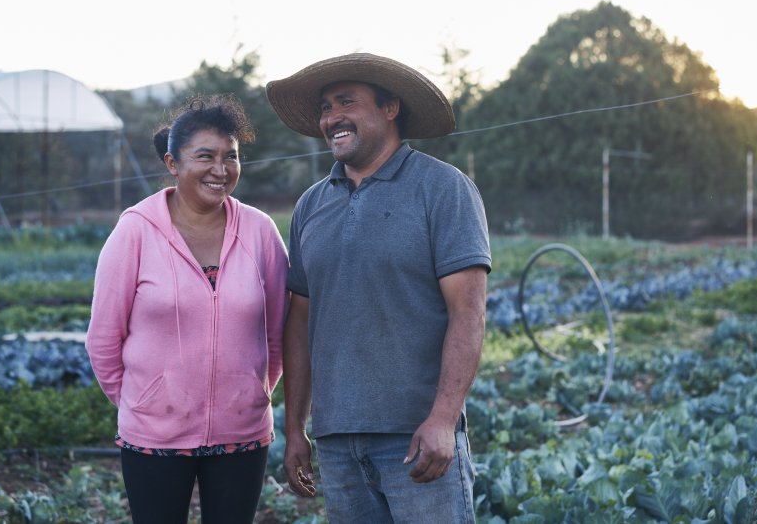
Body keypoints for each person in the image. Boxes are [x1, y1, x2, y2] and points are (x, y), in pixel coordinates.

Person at [266, 53, 491, 523]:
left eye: (346, 102)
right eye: (326, 107)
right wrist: (295, 430)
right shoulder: (310, 206)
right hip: (337, 443)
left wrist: (444, 418)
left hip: (416, 439)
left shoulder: (443, 189)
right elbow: (300, 321)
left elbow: (467, 314)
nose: (331, 118)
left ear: (391, 108)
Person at [85, 94, 289, 524]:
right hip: (154, 435)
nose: (220, 169)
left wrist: (254, 392)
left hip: (243, 433)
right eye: (205, 156)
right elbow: (104, 337)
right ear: (173, 163)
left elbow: (277, 331)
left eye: (230, 157)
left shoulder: (260, 231)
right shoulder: (135, 231)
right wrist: (143, 402)